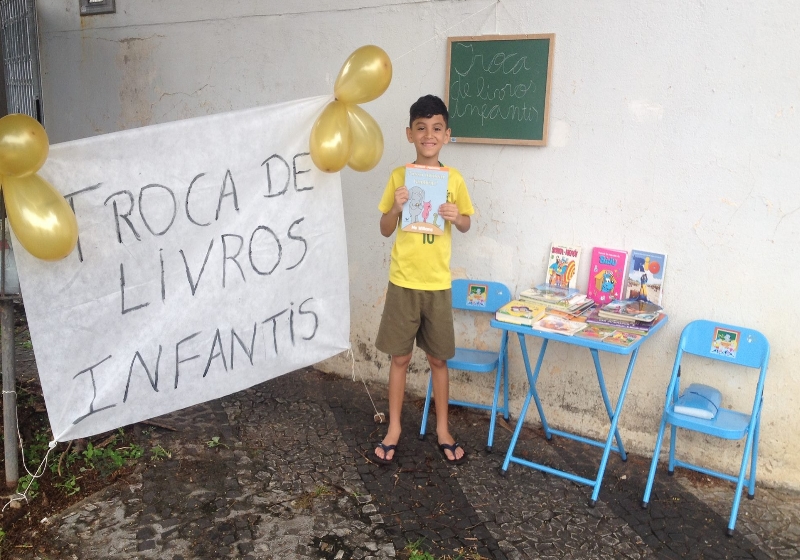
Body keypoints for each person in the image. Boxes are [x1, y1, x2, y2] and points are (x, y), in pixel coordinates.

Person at [373, 94, 474, 466]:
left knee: (438, 360)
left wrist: (455, 215)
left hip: (437, 284)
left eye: (436, 129)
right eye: (420, 128)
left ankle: (443, 430)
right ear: (410, 134)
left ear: (446, 135)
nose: (428, 135)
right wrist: (397, 208)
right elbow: (385, 229)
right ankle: (395, 428)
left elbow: (465, 223)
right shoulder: (399, 177)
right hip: (403, 281)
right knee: (399, 358)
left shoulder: (455, 180)